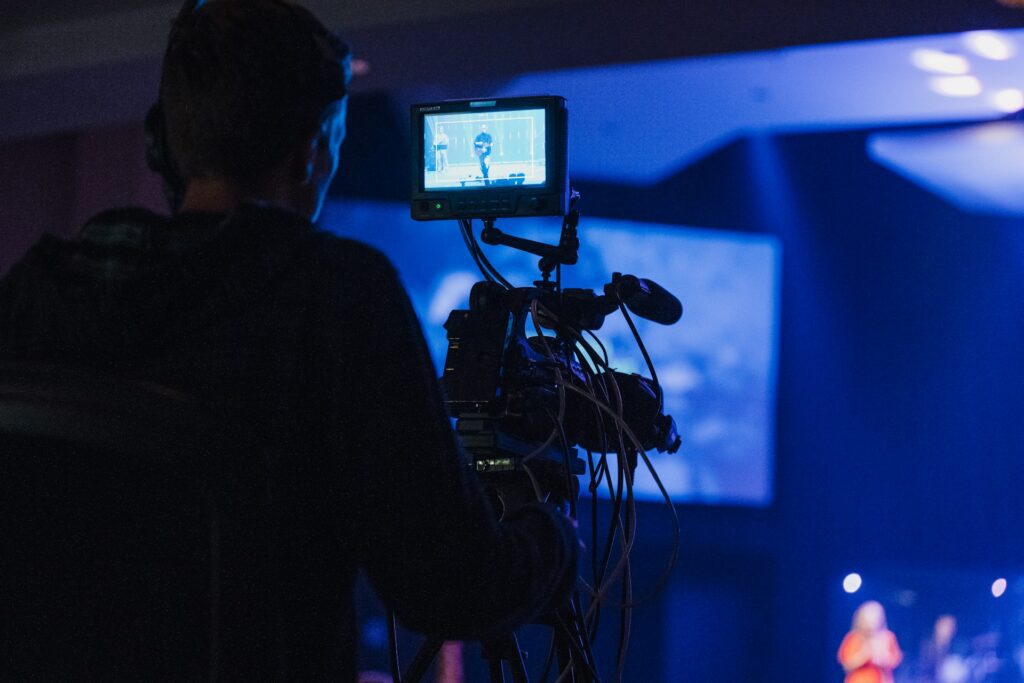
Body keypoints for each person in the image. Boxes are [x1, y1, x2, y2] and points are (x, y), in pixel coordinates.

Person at [0, 1, 577, 679]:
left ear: (165, 145)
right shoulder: (336, 297)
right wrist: (553, 535)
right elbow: (454, 586)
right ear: (312, 151)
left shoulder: (34, 291)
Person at [838, 600, 904, 683]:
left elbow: (895, 661)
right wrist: (865, 653)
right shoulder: (854, 638)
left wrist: (881, 657)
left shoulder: (887, 637)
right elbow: (847, 665)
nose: (872, 623)